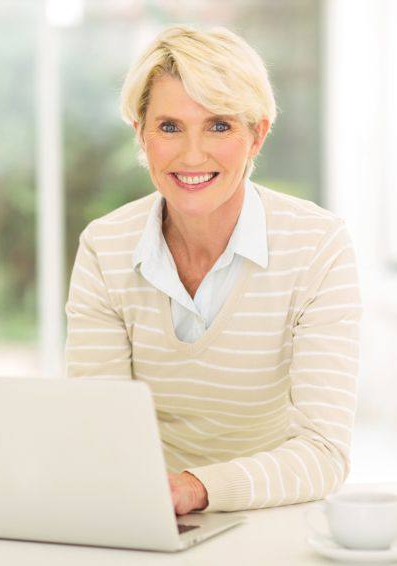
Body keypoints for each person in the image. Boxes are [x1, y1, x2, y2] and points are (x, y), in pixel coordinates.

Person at [64, 24, 362, 515]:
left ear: (257, 135)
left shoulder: (317, 246)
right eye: (169, 127)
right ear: (141, 134)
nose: (192, 155)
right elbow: (102, 432)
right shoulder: (104, 247)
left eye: (219, 125)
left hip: (273, 515)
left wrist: (194, 488)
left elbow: (323, 453)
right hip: (149, 517)